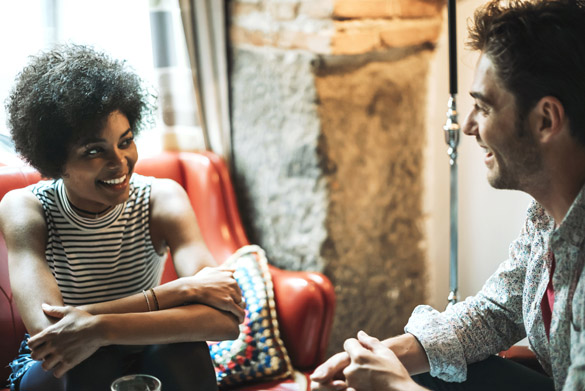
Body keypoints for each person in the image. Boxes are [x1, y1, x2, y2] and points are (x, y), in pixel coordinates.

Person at [310, 0, 585, 390]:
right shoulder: (545, 214)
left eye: (484, 107)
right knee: (439, 372)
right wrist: (389, 356)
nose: (469, 125)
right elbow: (497, 310)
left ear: (545, 120)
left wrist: (393, 385)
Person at [0, 44, 246, 391]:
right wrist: (182, 289)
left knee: (184, 353)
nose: (120, 162)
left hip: (146, 349)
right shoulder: (26, 208)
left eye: (125, 141)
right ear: (56, 161)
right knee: (85, 361)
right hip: (65, 365)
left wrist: (101, 327)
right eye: (94, 151)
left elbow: (222, 321)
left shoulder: (161, 197)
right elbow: (51, 333)